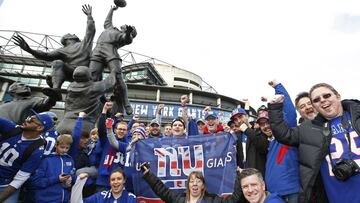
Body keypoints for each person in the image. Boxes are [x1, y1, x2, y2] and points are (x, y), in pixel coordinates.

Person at [268, 82, 360, 203]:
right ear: (315, 106)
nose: (322, 100)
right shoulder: (310, 129)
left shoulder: (356, 117)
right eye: (316, 100)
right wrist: (275, 107)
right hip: (337, 197)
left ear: (338, 96)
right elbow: (284, 134)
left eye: (327, 96)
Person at [12, 4, 95, 99]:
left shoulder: (85, 44)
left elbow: (90, 30)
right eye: (71, 34)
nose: (74, 34)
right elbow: (46, 55)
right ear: (68, 38)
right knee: (57, 62)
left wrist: (89, 16)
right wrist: (29, 50)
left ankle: (54, 84)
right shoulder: (62, 50)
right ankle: (56, 90)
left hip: (87, 73)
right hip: (71, 73)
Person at [239, 81, 300, 203]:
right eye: (262, 124)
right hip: (272, 195)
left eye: (268, 122)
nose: (266, 126)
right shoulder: (268, 142)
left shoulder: (286, 135)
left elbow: (290, 113)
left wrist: (278, 87)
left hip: (290, 193)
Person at [89, 5, 137, 115]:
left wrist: (129, 33)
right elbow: (107, 21)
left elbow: (128, 40)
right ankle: (99, 98)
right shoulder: (110, 28)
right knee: (92, 77)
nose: (127, 25)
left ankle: (126, 103)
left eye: (131, 29)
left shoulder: (122, 36)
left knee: (118, 76)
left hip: (110, 52)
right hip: (97, 52)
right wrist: (112, 10)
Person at [0, 111, 53, 202]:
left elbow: (20, 179)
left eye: (31, 120)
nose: (26, 120)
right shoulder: (13, 129)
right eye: (28, 117)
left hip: (6, 185)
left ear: (39, 128)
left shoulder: (36, 150)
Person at [56, 64, 117, 134]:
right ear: (89, 76)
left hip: (64, 124)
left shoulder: (70, 87)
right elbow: (110, 82)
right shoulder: (95, 87)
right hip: (84, 125)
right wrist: (114, 70)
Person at [141, 163, 245, 203]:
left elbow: (234, 200)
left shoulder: (213, 200)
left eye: (198, 181)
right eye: (191, 181)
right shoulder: (178, 199)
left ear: (203, 186)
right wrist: (148, 175)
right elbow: (161, 190)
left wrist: (240, 177)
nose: (195, 184)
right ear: (188, 185)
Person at [32, 134, 76, 203]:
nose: (64, 150)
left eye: (67, 148)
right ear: (56, 145)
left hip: (64, 200)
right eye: (62, 147)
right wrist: (57, 179)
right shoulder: (46, 160)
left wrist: (71, 178)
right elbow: (37, 181)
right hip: (46, 200)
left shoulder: (70, 160)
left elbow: (73, 174)